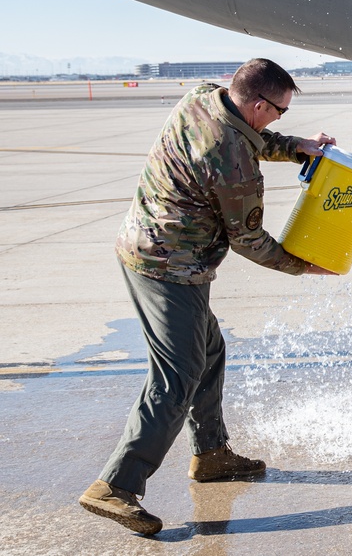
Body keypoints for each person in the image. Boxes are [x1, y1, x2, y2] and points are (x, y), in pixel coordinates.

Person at [79, 58, 337, 535]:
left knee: (210, 351)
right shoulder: (230, 155)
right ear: (259, 103)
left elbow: (248, 135)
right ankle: (115, 486)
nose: (279, 118)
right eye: (279, 111)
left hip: (155, 248)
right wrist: (306, 265)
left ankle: (212, 454)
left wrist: (295, 147)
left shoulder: (203, 96)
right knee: (178, 376)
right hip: (168, 267)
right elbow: (249, 240)